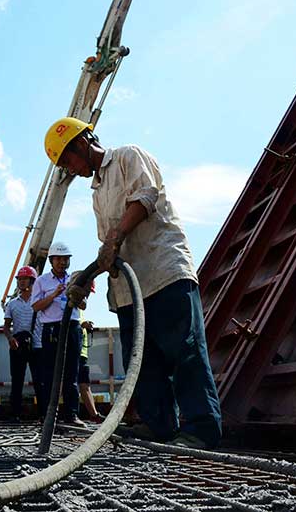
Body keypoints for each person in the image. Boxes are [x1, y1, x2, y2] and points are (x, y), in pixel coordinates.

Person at [45, 116, 222, 449]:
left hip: (162, 272)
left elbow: (145, 196)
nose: (69, 168)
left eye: (67, 160)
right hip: (130, 291)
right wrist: (86, 279)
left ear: (81, 143)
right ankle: (160, 426)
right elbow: (110, 248)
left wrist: (114, 238)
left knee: (184, 352)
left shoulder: (128, 156)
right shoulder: (96, 192)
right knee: (142, 363)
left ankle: (201, 429)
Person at [30, 241, 85, 426]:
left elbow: (83, 304)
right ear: (52, 260)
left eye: (65, 259)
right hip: (52, 329)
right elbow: (36, 306)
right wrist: (54, 295)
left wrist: (75, 296)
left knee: (72, 373)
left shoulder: (75, 279)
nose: (62, 262)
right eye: (59, 259)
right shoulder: (41, 281)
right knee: (49, 374)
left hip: (72, 327)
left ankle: (71, 414)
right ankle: (49, 415)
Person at [3, 266, 43, 422]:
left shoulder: (39, 302)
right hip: (18, 346)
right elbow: (6, 326)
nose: (21, 282)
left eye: (24, 279)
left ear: (33, 281)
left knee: (40, 382)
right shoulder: (12, 304)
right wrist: (10, 338)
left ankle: (43, 414)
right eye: (19, 279)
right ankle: (15, 415)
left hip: (38, 345)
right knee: (17, 381)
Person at [78, 319, 105, 424]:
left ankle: (94, 415)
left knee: (84, 384)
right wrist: (81, 325)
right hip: (72, 351)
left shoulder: (79, 309)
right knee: (71, 384)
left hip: (81, 353)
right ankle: (70, 415)